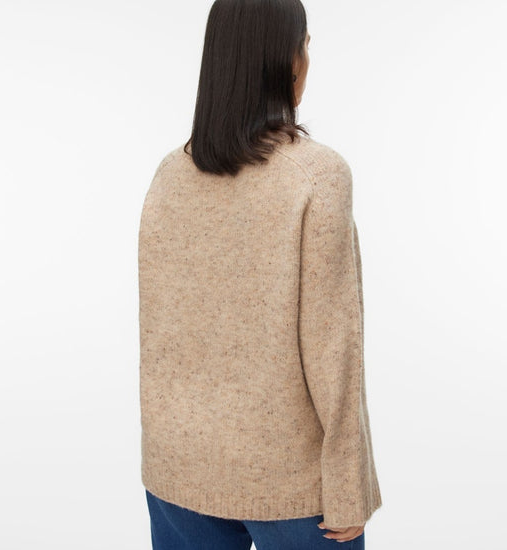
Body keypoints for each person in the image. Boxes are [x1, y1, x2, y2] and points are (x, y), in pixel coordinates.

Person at [138, 0, 383, 548]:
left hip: (176, 466)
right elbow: (333, 345)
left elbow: (161, 332)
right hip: (289, 483)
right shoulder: (317, 175)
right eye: (306, 46)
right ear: (287, 60)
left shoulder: (169, 174)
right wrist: (349, 486)